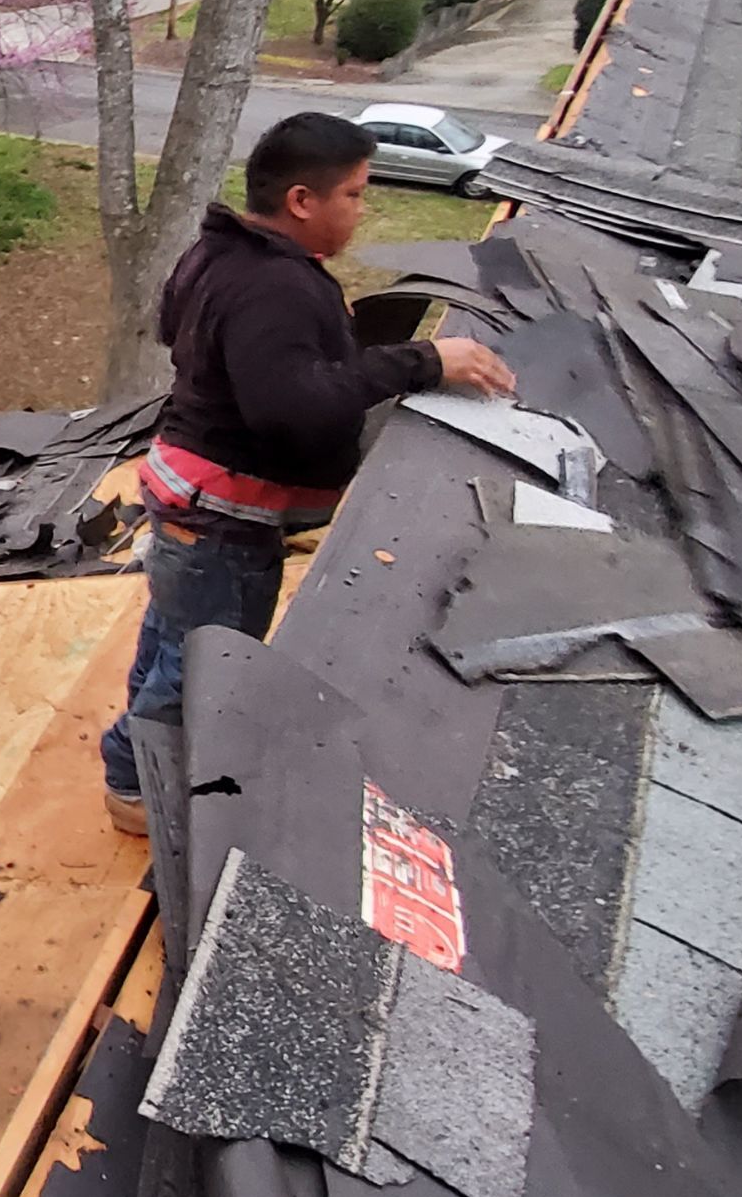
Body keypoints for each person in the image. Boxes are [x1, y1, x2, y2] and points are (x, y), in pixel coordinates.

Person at [97, 111, 517, 833]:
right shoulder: (275, 287)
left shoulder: (220, 252)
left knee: (171, 636)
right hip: (224, 519)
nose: (363, 209)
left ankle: (131, 763)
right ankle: (141, 792)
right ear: (301, 200)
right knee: (201, 667)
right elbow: (293, 410)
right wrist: (421, 361)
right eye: (354, 194)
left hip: (184, 494)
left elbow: (179, 328)